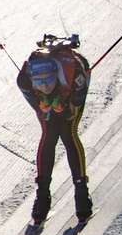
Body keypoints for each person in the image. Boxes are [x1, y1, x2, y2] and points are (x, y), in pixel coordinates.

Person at [17, 38, 93, 225]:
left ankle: (81, 193)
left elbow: (77, 101)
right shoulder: (25, 80)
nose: (44, 86)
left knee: (68, 133)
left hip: (71, 91)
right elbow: (38, 105)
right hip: (53, 94)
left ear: (56, 75)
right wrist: (44, 107)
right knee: (49, 134)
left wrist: (66, 107)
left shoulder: (75, 74)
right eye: (39, 82)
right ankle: (42, 195)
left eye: (48, 80)